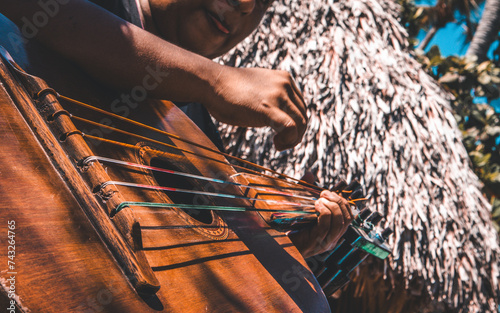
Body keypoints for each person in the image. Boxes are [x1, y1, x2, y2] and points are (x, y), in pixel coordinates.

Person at [0, 0, 352, 258]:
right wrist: (214, 80)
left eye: (263, 2)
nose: (245, 5)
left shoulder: (201, 142)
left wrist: (277, 253)